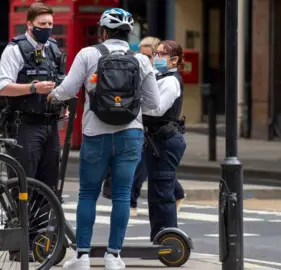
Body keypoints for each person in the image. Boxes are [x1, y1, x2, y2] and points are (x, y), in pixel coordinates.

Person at [48, 8, 160, 270]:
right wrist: (128, 107)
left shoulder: (89, 54)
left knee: (88, 194)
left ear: (103, 31)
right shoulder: (142, 60)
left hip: (95, 134)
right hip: (130, 134)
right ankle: (113, 256)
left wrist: (51, 96)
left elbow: (67, 89)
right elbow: (154, 104)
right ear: (129, 32)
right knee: (121, 195)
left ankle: (83, 257)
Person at [0, 2, 66, 261]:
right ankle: (18, 247)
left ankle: (39, 244)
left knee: (48, 185)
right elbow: (2, 87)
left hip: (50, 125)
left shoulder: (54, 50)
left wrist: (61, 103)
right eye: (42, 25)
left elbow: (59, 82)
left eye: (50, 25)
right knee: (24, 184)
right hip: (23, 125)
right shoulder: (15, 49)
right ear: (29, 25)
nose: (47, 29)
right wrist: (33, 88)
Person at [142, 40, 187, 242]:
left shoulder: (171, 81)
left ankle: (166, 242)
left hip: (165, 140)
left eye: (162, 54)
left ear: (174, 59)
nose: (156, 58)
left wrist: (135, 108)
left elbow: (157, 109)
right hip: (157, 139)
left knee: (161, 194)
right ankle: (159, 240)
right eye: (156, 54)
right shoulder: (161, 76)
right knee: (158, 191)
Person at [130, 36, 161, 217]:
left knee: (144, 166)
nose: (144, 59)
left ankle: (132, 203)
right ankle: (178, 194)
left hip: (153, 128)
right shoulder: (137, 70)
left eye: (148, 56)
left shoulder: (158, 74)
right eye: (141, 55)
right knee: (148, 165)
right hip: (140, 124)